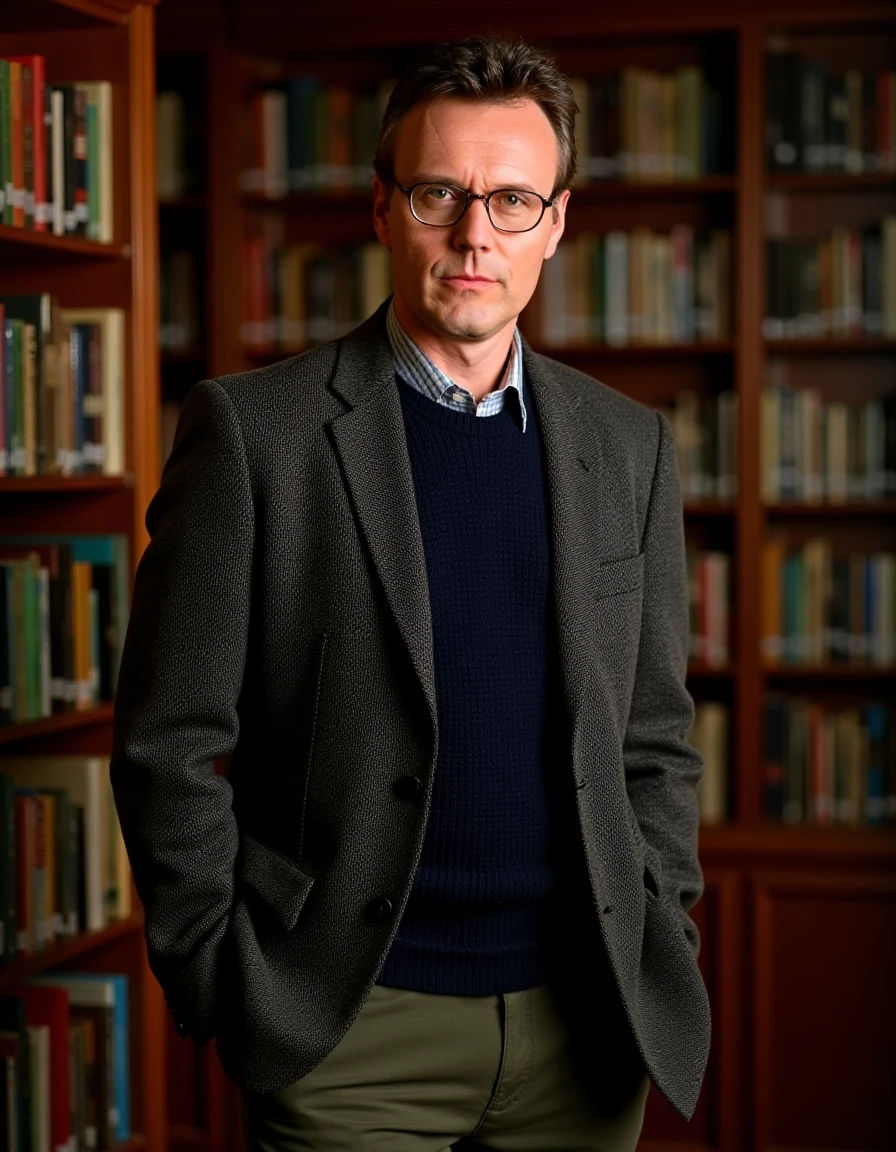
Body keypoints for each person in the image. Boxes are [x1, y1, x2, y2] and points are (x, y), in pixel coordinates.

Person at [111, 34, 710, 1152]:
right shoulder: (257, 435)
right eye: (441, 192)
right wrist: (218, 971)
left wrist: (660, 913)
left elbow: (653, 737)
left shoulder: (627, 446)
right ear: (384, 207)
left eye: (512, 198)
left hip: (586, 1025)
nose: (474, 233)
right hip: (346, 1028)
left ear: (556, 222)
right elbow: (168, 739)